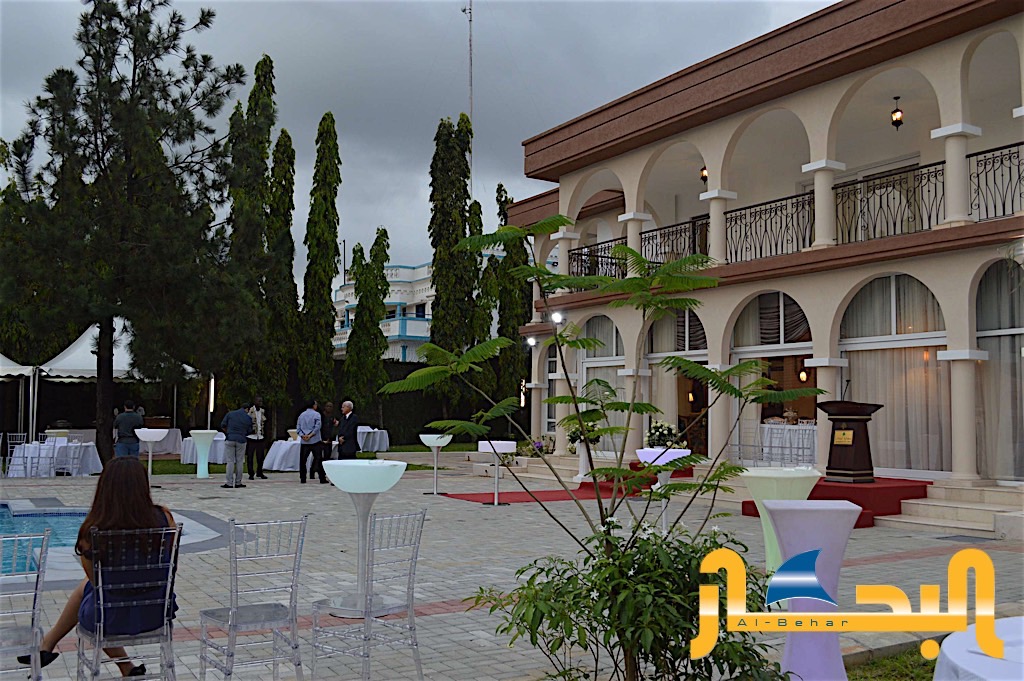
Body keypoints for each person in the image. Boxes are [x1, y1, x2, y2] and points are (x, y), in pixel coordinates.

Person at [18, 457, 178, 676]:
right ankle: (126, 668)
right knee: (96, 593)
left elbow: (95, 582)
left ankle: (47, 646)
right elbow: (170, 562)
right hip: (157, 611)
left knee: (93, 594)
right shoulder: (164, 518)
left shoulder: (93, 530)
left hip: (108, 618)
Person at [220, 404, 253, 489]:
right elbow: (250, 430)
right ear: (247, 409)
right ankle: (238, 482)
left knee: (230, 461)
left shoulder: (230, 414)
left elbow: (223, 425)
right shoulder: (248, 418)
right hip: (241, 440)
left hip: (230, 438)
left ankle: (229, 483)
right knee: (240, 461)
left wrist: (228, 432)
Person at [296, 399, 325, 484]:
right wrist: (310, 435)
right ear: (313, 405)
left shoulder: (301, 415)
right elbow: (317, 427)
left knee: (303, 460)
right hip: (315, 440)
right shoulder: (317, 414)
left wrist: (303, 435)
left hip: (304, 441)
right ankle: (322, 478)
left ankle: (303, 478)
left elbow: (298, 428)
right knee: (319, 459)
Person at [246, 396, 268, 480]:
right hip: (251, 437)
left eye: (261, 401)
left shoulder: (262, 411)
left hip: (260, 436)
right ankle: (251, 473)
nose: (260, 403)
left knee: (261, 456)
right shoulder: (250, 411)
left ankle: (259, 472)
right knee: (250, 456)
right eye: (259, 401)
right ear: (255, 402)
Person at [319, 401, 340, 465]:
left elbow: (334, 428)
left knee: (328, 455)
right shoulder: (321, 416)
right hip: (321, 439)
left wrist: (331, 437)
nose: (329, 408)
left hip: (329, 439)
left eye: (331, 406)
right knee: (319, 456)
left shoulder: (332, 416)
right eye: (327, 406)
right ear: (325, 407)